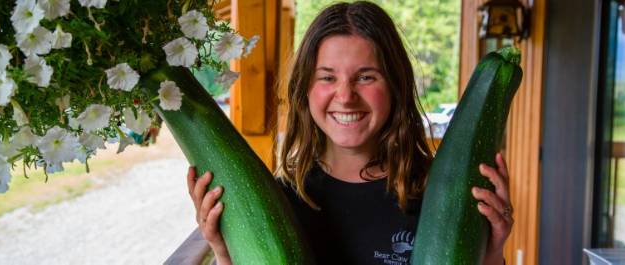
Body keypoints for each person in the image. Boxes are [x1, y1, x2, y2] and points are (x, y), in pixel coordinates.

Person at [187, 1, 514, 264]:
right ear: (306, 90)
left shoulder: (440, 195)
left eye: (366, 77)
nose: (345, 96)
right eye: (327, 78)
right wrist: (225, 253)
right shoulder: (279, 200)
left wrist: (490, 253)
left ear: (395, 88)